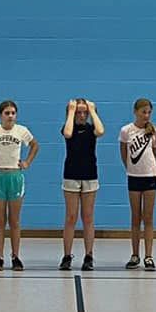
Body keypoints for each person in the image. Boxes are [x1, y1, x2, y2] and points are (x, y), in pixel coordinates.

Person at [0, 100, 38, 271]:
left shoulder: (22, 131)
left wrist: (27, 162)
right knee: (0, 220)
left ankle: (16, 256)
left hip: (15, 176)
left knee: (15, 220)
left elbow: (34, 145)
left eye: (13, 113)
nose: (10, 116)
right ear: (0, 115)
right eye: (7, 113)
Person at [59, 99, 105, 271]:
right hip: (71, 175)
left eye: (84, 112)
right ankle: (66, 255)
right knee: (71, 217)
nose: (82, 115)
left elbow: (101, 131)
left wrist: (93, 110)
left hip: (90, 176)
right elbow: (68, 134)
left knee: (88, 217)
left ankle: (89, 255)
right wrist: (71, 111)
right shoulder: (67, 127)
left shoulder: (91, 128)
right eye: (79, 112)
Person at [118, 98, 156, 270]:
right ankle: (135, 254)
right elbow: (123, 153)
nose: (146, 115)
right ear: (135, 111)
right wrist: (131, 169)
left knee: (148, 217)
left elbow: (155, 153)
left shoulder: (153, 131)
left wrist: (151, 169)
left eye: (149, 112)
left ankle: (148, 256)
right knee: (135, 217)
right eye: (143, 112)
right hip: (134, 177)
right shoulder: (126, 130)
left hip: (149, 176)